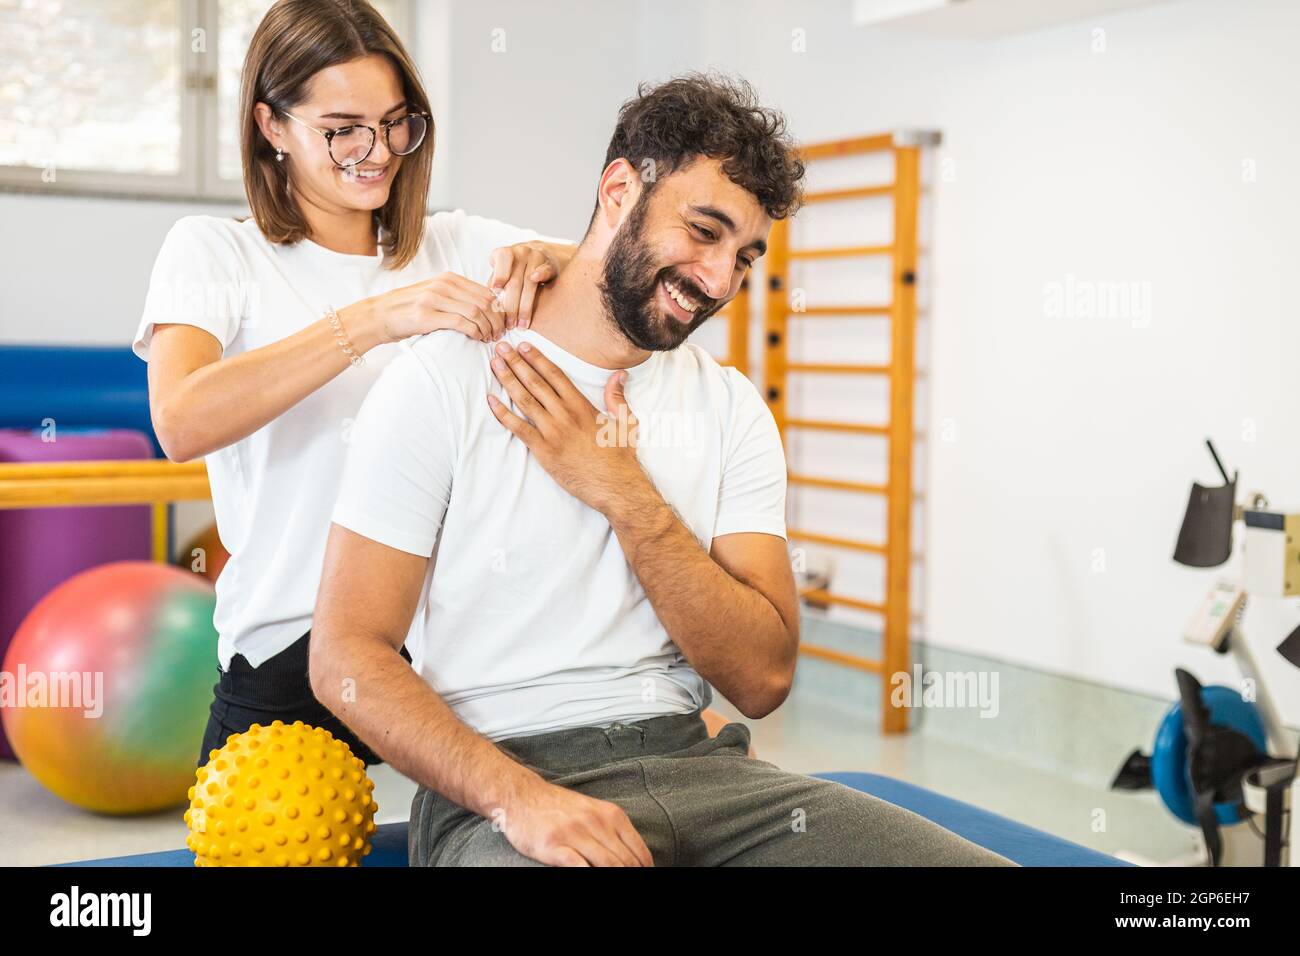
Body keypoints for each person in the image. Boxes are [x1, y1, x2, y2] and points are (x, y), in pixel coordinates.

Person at [311, 73, 1017, 867]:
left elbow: (762, 678)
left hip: (701, 770)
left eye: (745, 258)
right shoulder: (441, 380)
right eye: (705, 231)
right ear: (619, 190)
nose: (719, 283)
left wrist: (625, 495)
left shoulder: (733, 409)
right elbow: (345, 658)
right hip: (504, 791)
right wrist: (522, 800)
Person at [133, 0, 574, 768]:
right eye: (343, 130)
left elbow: (617, 279)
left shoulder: (457, 242)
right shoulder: (214, 252)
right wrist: (373, 319)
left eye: (397, 123)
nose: (378, 151)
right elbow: (180, 420)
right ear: (272, 126)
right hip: (289, 657)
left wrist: (556, 259)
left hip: (457, 655)